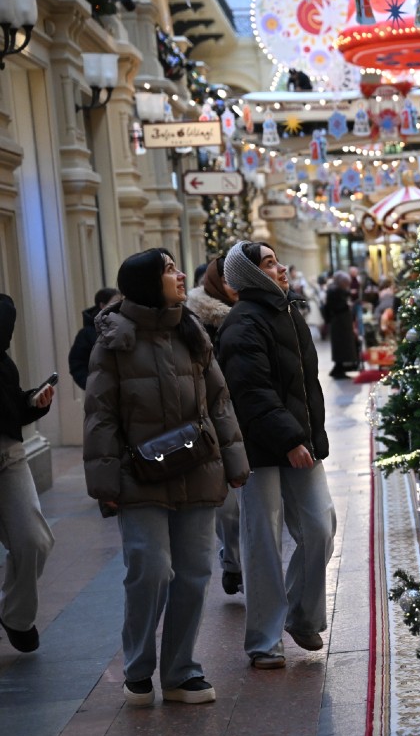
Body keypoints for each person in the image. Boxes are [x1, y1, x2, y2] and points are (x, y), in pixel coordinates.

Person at [84, 249, 249, 706]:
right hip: (139, 475)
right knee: (150, 569)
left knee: (194, 573)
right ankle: (138, 669)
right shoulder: (114, 338)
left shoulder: (190, 329)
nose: (180, 276)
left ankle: (180, 672)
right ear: (146, 282)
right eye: (169, 270)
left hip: (197, 468)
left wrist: (236, 463)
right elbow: (101, 416)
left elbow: (219, 402)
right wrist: (105, 484)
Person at [218, 241, 336, 669]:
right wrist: (289, 438)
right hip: (263, 447)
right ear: (250, 275)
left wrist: (307, 436)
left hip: (300, 441)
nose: (281, 268)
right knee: (262, 539)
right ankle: (265, 639)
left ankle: (302, 616)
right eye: (269, 263)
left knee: (320, 526)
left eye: (276, 260)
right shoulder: (241, 324)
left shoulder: (289, 311)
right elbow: (251, 392)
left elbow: (303, 386)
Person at [0, 294, 56, 653]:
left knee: (34, 540)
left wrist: (33, 403)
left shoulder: (3, 363)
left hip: (8, 454)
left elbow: (10, 408)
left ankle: (15, 615)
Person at [186, 255, 243, 596]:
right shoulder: (194, 321)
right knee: (229, 508)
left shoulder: (255, 312)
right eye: (227, 278)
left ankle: (240, 562)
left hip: (252, 415)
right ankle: (233, 561)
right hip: (216, 419)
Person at [68, 287, 119, 390]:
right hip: (101, 393)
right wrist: (92, 385)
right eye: (115, 303)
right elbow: (77, 363)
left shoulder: (124, 327)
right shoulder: (87, 333)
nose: (119, 307)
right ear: (102, 306)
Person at [323, 271, 358, 379]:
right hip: (339, 323)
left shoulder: (335, 289)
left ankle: (338, 369)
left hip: (340, 322)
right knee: (341, 346)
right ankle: (339, 369)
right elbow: (336, 306)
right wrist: (347, 305)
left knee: (341, 347)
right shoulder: (335, 290)